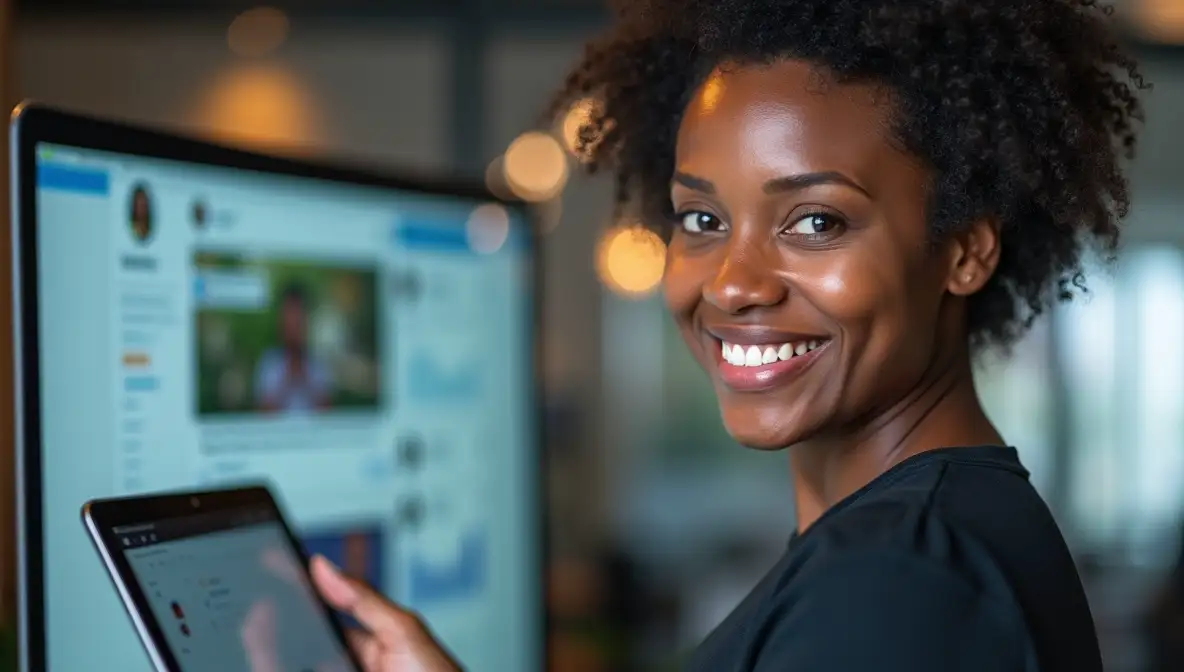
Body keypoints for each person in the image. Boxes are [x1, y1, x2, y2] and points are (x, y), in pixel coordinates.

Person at [308, 0, 1148, 669]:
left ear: (965, 251)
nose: (733, 283)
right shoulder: (914, 540)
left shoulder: (899, 583)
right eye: (703, 218)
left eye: (816, 221)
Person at [254, 282, 332, 413]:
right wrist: (287, 380)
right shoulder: (268, 362)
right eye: (289, 318)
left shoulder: (318, 363)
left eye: (298, 320)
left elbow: (328, 414)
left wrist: (305, 379)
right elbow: (262, 414)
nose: (293, 327)